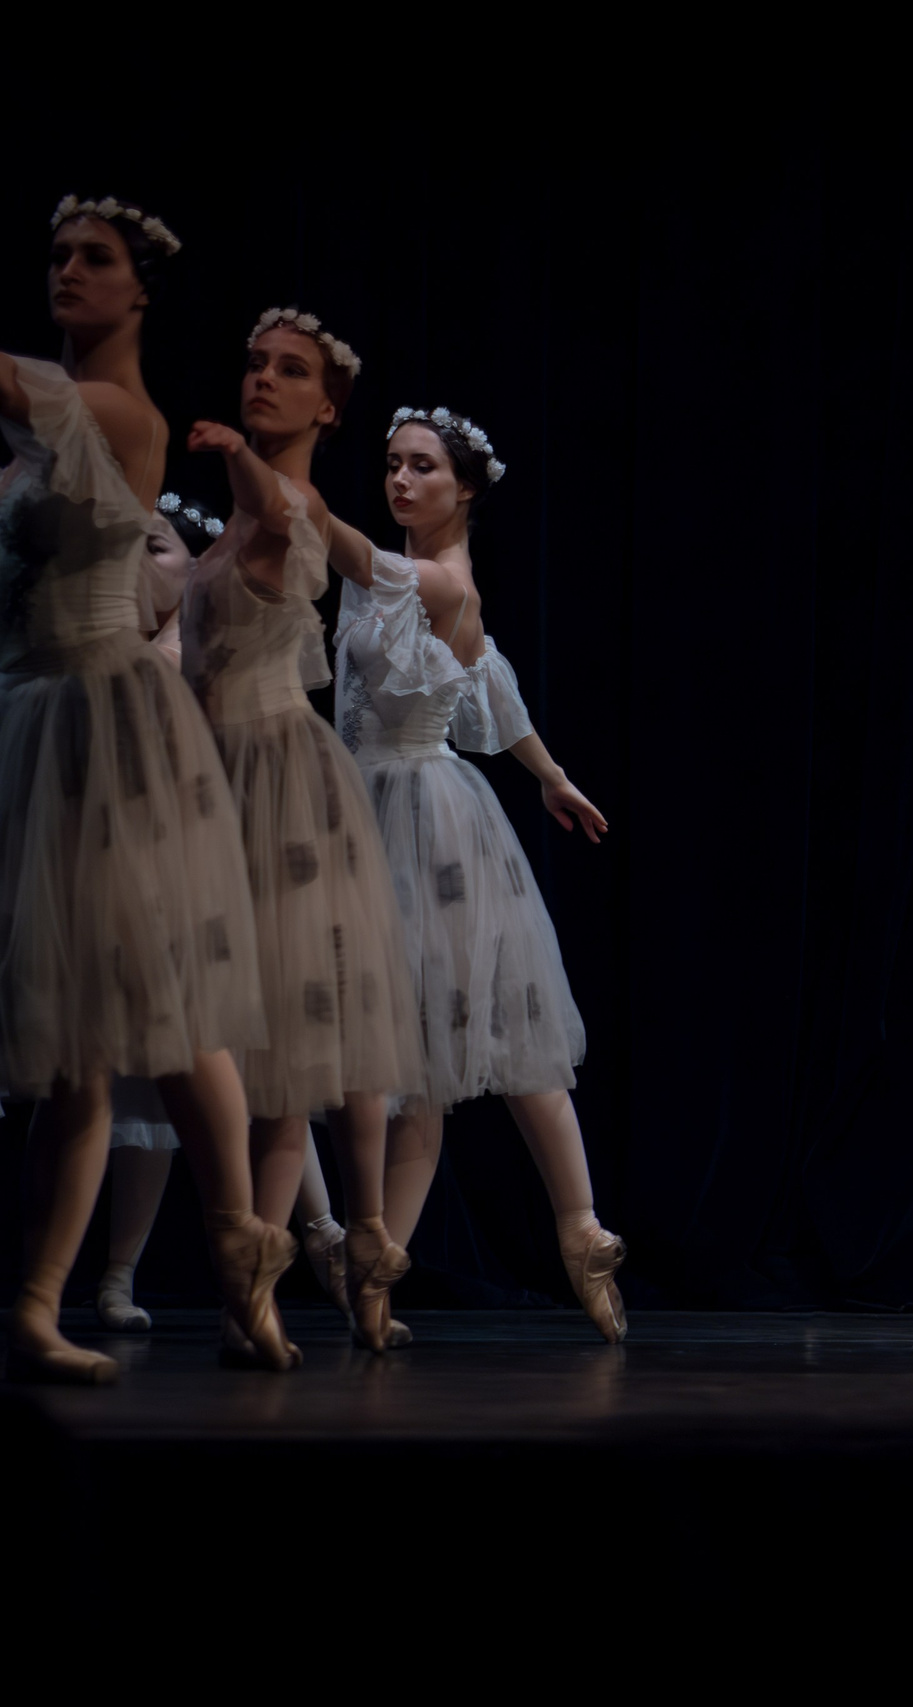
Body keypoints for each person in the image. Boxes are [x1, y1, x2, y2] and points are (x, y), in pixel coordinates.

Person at [1, 195, 294, 1380]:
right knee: (85, 1032)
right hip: (37, 712)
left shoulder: (113, 411)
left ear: (141, 292)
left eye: (96, 259)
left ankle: (235, 1261)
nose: (68, 272)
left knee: (159, 1003)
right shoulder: (42, 426)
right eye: (58, 256)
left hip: (103, 723)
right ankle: (41, 1300)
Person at [323, 405, 625, 1341]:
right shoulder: (420, 581)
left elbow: (337, 545)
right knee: (415, 1068)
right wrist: (555, 776)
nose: (401, 481)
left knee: (491, 1032)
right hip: (369, 814)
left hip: (431, 823)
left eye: (422, 468)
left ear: (465, 488)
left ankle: (579, 1228)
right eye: (392, 465)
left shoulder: (433, 580)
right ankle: (377, 1282)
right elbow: (493, 689)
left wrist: (278, 472)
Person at [183, 306, 424, 1352]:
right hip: (210, 782)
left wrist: (237, 454)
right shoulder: (238, 516)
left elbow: (279, 510)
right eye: (252, 367)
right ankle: (278, 1272)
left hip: (280, 782)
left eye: (288, 373)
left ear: (325, 405)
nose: (261, 382)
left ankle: (292, 1270)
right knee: (244, 1046)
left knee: (280, 1040)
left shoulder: (291, 500)